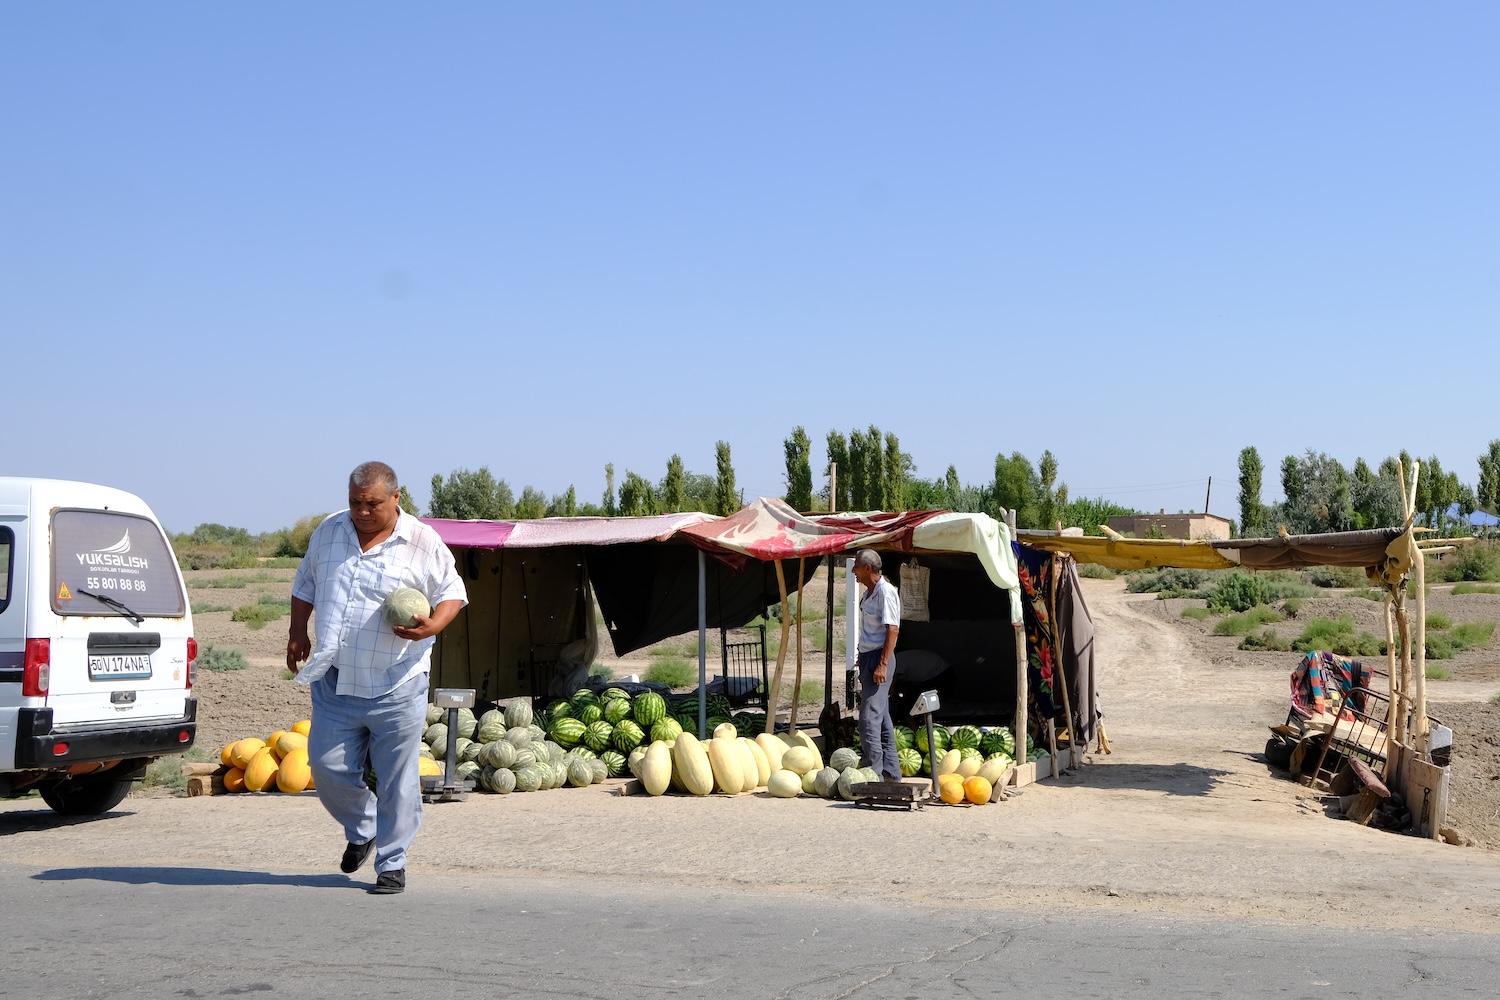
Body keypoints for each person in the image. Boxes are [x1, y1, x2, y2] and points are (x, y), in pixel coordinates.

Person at [287, 462, 467, 894]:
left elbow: (453, 592)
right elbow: (305, 582)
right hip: (335, 677)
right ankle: (364, 826)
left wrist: (432, 626)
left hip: (397, 681)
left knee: (397, 778)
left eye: (372, 504)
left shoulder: (422, 540)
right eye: (354, 502)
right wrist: (296, 632)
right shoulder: (329, 532)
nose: (362, 512)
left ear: (395, 498)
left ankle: (393, 862)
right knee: (326, 767)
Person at [853, 548, 901, 781]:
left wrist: (882, 664)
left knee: (868, 718)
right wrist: (862, 655)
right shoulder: (869, 593)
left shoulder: (885, 591)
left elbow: (892, 629)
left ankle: (874, 775)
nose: (853, 571)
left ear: (867, 568)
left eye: (856, 567)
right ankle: (891, 773)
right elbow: (872, 630)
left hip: (880, 658)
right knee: (881, 716)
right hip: (869, 657)